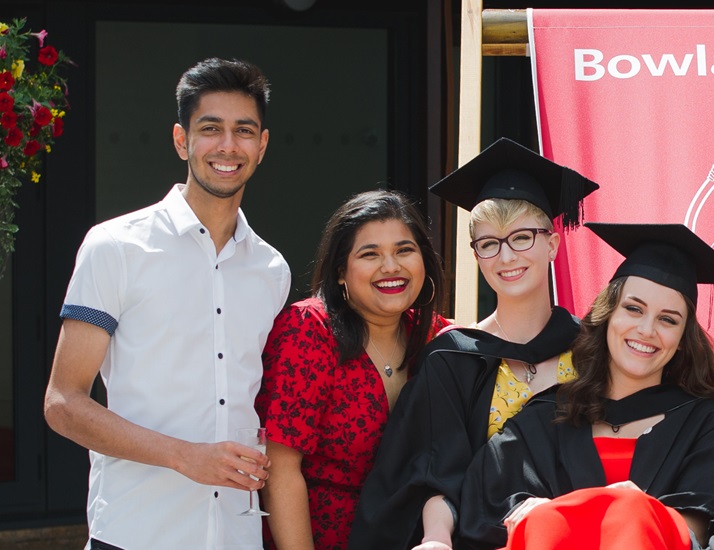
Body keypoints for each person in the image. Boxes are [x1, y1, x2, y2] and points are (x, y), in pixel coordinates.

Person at [42, 57, 288, 549]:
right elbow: (63, 403)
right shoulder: (115, 246)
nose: (227, 146)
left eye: (244, 131)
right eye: (210, 129)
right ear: (182, 140)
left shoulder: (272, 270)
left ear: (261, 146)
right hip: (137, 532)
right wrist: (185, 456)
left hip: (236, 535)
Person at [350, 137, 598, 549]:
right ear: (478, 255)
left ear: (552, 243)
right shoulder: (454, 356)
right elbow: (435, 470)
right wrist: (435, 538)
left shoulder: (594, 351)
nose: (506, 257)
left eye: (522, 237)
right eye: (489, 244)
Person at [452, 222, 714, 550]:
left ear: (682, 340)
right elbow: (490, 509)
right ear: (608, 314)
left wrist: (632, 510)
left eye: (668, 319)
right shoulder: (547, 417)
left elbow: (705, 526)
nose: (646, 330)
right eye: (633, 309)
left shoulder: (705, 426)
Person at [255, 191, 448, 549]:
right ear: (341, 270)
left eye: (404, 250)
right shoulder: (309, 330)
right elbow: (280, 469)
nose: (391, 266)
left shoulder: (438, 338)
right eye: (370, 254)